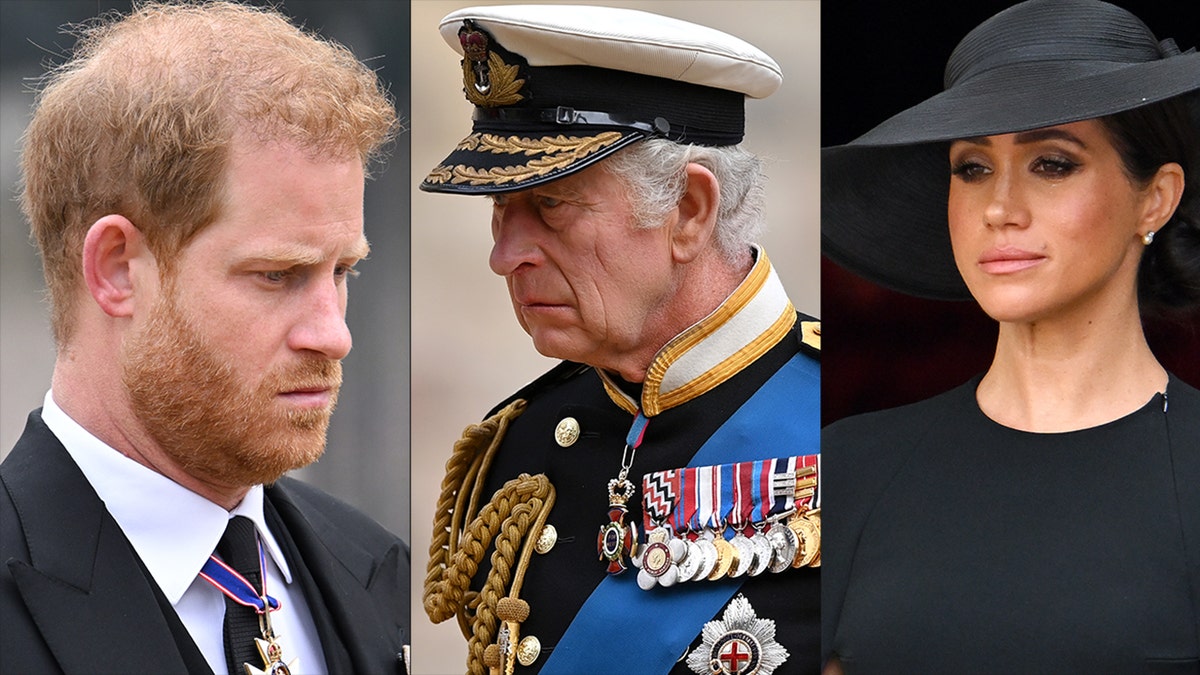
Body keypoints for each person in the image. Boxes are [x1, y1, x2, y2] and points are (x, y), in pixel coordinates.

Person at [0, 3, 409, 674]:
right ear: (116, 269)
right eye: (277, 274)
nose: (334, 334)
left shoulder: (372, 565)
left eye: (342, 271)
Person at [417, 5, 821, 675]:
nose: (505, 255)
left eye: (551, 204)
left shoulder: (845, 423)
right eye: (501, 210)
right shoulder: (519, 449)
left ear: (690, 211)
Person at [820, 0, 1200, 671]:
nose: (999, 208)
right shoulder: (845, 469)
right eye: (971, 167)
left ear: (1156, 198)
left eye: (1051, 162)